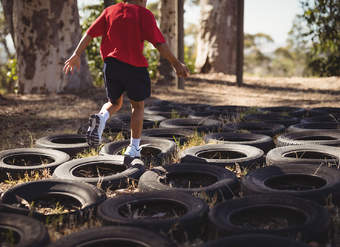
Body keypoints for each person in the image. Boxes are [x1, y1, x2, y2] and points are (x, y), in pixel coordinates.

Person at [63, 0, 189, 158]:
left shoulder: (110, 11)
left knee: (114, 102)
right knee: (137, 107)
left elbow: (89, 33)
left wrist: (76, 54)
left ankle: (101, 117)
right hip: (134, 66)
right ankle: (134, 147)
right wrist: (176, 64)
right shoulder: (143, 14)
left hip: (111, 65)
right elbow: (159, 43)